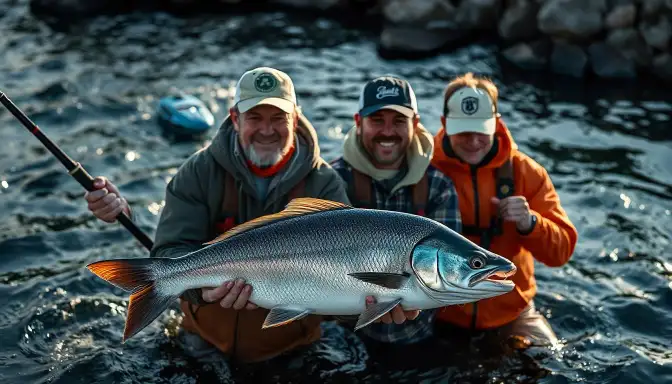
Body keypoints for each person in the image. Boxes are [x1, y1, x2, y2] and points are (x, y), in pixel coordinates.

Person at [84, 67, 353, 363]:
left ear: (295, 118)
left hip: (292, 345)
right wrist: (204, 294)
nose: (267, 130)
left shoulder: (325, 182)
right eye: (255, 118)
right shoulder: (198, 172)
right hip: (204, 339)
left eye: (278, 118)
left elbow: (345, 271)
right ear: (235, 118)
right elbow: (170, 249)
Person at [430, 72, 579, 352]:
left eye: (481, 130)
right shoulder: (425, 169)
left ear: (497, 124)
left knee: (550, 358)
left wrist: (530, 223)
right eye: (463, 131)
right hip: (439, 314)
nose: (473, 140)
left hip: (512, 314)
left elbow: (561, 252)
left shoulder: (527, 172)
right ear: (444, 125)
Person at [330, 75, 462, 363]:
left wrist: (404, 297)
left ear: (415, 124)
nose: (387, 131)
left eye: (398, 121)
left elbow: (445, 279)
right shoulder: (333, 179)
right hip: (343, 341)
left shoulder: (439, 187)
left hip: (416, 340)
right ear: (358, 121)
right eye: (377, 119)